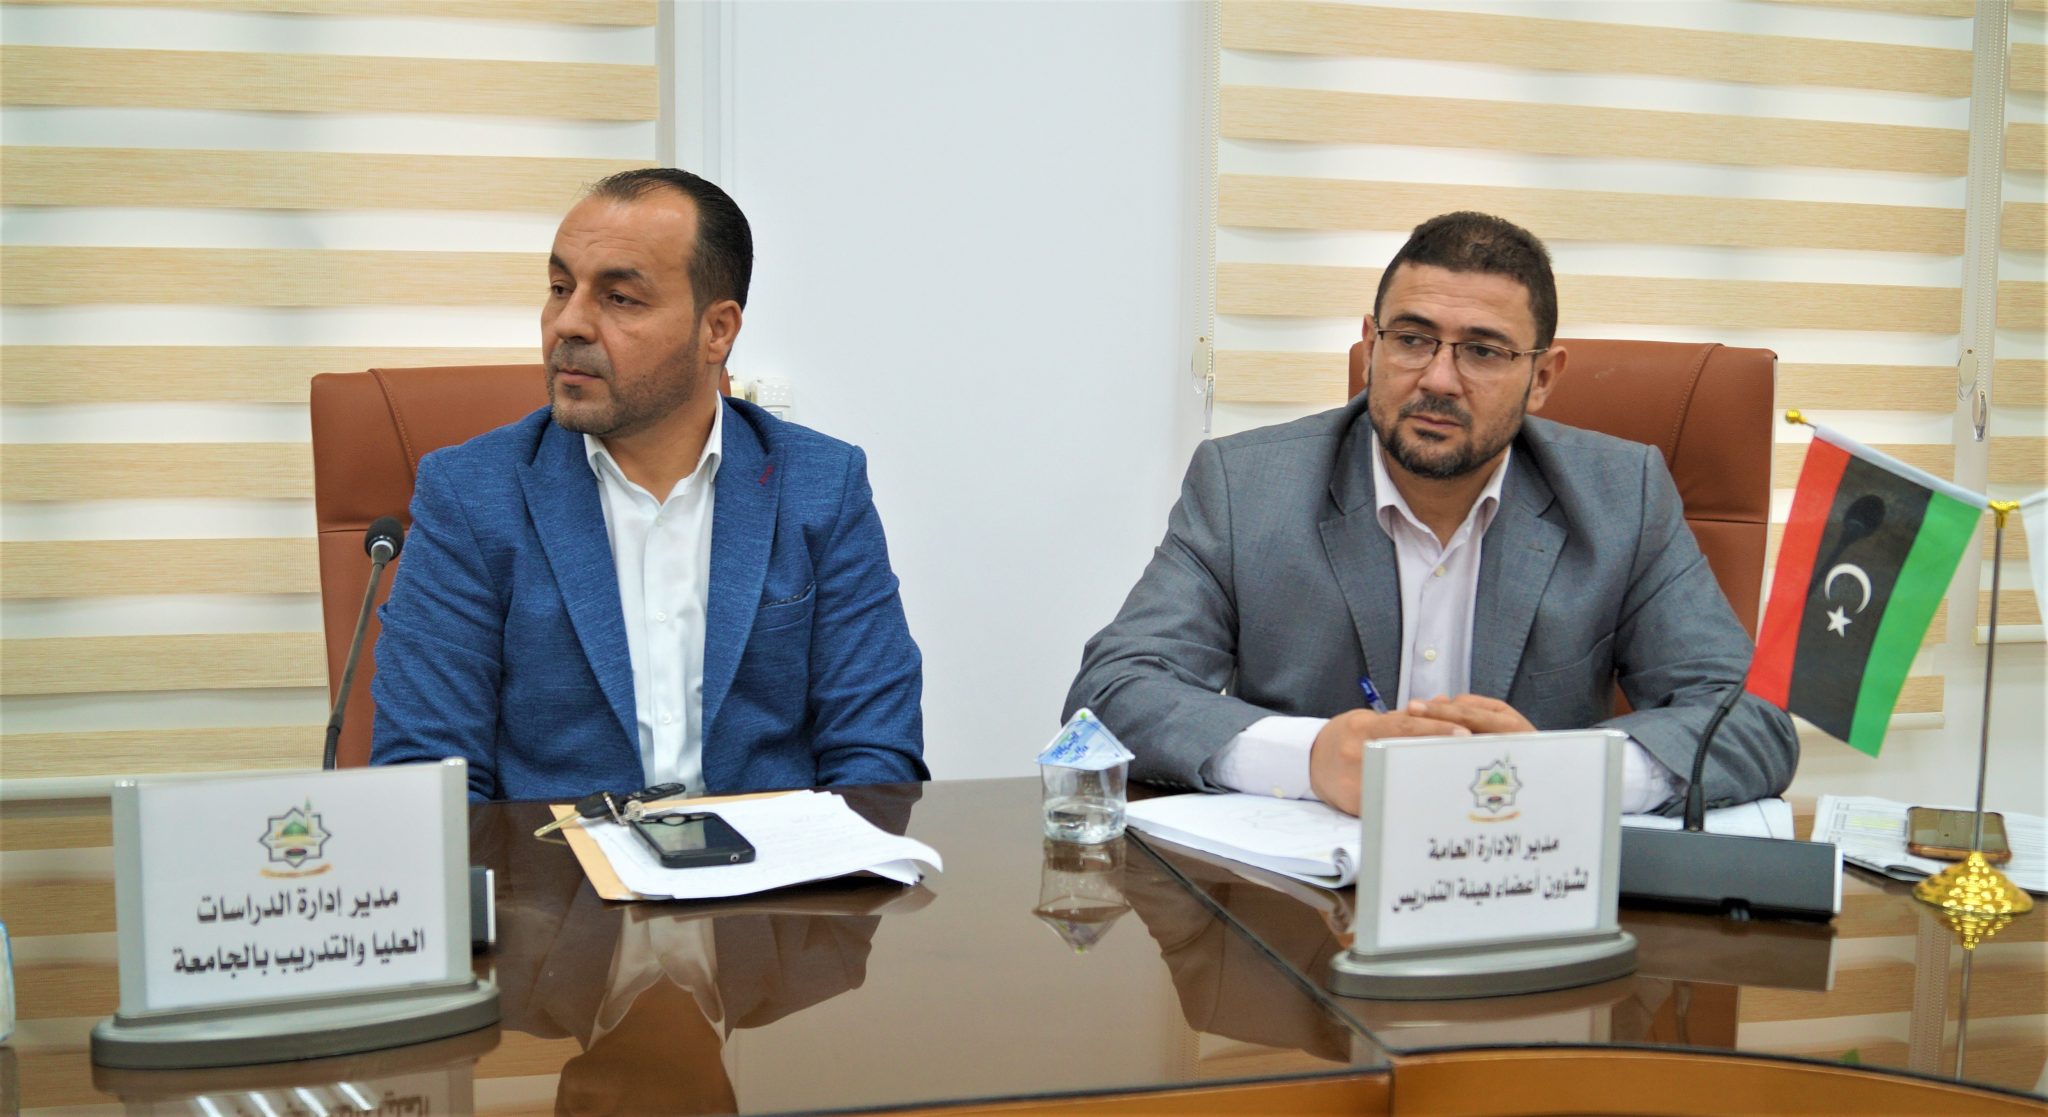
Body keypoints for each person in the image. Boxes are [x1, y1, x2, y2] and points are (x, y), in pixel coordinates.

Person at [1065, 211, 1794, 816]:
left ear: (1543, 377)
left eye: (1483, 351)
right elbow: (1114, 691)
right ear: (1371, 346)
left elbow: (1749, 723)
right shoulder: (1244, 487)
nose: (1438, 379)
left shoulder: (1621, 496)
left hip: (1526, 890)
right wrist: (1311, 757)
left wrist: (1562, 772)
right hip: (1306, 904)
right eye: (1412, 340)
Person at [371, 168, 924, 801]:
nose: (568, 324)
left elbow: (875, 752)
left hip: (772, 861)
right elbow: (431, 778)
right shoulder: (470, 496)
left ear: (717, 331)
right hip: (558, 861)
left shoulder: (821, 486)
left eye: (619, 299)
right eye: (560, 289)